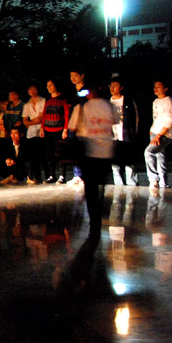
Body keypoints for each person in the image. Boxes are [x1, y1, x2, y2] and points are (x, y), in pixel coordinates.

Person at [75, 86, 115, 238]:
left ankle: (94, 221)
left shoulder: (84, 107)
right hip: (106, 151)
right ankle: (98, 216)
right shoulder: (108, 106)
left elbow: (76, 127)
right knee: (101, 187)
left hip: (89, 151)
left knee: (91, 189)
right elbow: (112, 126)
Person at [144, 79, 172, 190]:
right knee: (160, 157)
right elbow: (156, 118)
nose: (156, 88)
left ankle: (153, 179)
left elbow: (170, 120)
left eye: (159, 86)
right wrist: (152, 130)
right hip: (154, 132)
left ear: (165, 88)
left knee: (149, 152)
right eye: (155, 86)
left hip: (163, 134)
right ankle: (163, 183)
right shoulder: (156, 101)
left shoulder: (169, 101)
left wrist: (159, 135)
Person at [109, 78, 139, 186]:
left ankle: (132, 185)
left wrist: (133, 134)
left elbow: (135, 118)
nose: (112, 88)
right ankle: (119, 184)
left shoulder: (128, 101)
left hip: (126, 134)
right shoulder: (108, 101)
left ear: (121, 87)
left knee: (129, 162)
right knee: (115, 163)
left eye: (115, 85)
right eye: (111, 85)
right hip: (113, 135)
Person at [42, 79, 69, 184]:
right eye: (47, 86)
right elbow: (44, 114)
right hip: (48, 129)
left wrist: (65, 129)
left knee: (60, 153)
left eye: (50, 85)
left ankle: (62, 175)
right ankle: (51, 175)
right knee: (49, 153)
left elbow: (66, 115)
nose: (48, 87)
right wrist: (42, 127)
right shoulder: (48, 100)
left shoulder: (63, 99)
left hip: (59, 129)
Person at [22, 84, 46, 184]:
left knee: (43, 155)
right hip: (31, 133)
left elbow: (41, 118)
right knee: (33, 156)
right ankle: (36, 176)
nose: (32, 91)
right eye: (30, 89)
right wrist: (32, 121)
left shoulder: (43, 101)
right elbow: (24, 121)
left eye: (34, 89)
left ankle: (48, 175)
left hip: (41, 130)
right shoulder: (27, 104)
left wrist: (30, 121)